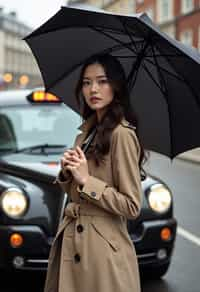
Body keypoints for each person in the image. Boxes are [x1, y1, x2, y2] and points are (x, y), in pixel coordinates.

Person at [44, 54, 148, 292]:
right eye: (87, 82)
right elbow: (76, 192)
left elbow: (132, 205)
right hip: (76, 242)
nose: (93, 89)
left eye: (102, 81)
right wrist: (67, 171)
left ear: (116, 86)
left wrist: (86, 180)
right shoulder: (87, 132)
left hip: (102, 256)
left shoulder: (122, 135)